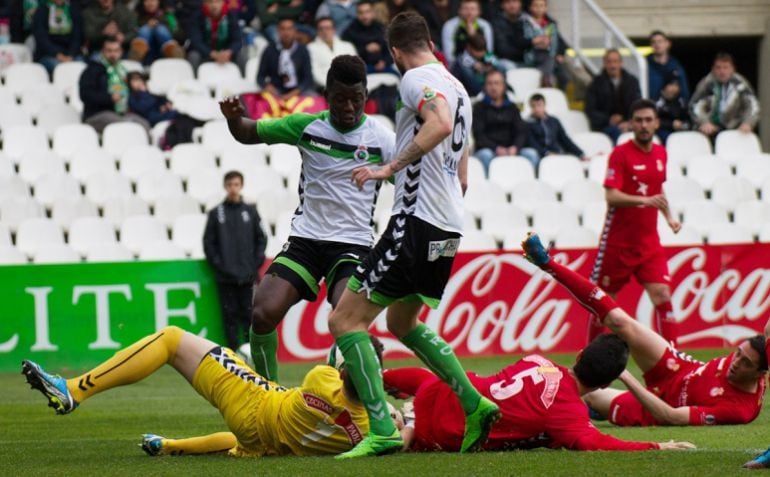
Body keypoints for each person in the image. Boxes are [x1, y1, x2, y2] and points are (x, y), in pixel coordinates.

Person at [327, 11, 501, 458]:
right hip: (447, 224)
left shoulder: (414, 79)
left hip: (415, 221)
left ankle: (383, 429)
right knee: (401, 323)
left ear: (395, 52)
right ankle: (474, 403)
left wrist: (390, 167)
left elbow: (438, 123)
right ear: (430, 42)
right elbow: (462, 161)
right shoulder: (457, 86)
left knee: (344, 321)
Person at [219, 55, 395, 382]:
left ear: (366, 96)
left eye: (356, 99)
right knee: (262, 313)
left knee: (347, 320)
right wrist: (233, 119)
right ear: (326, 96)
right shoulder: (307, 126)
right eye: (340, 99)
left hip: (353, 245)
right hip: (306, 241)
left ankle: (347, 393)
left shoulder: (382, 139)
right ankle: (267, 394)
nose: (349, 107)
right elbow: (247, 132)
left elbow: (410, 184)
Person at [520, 233, 767, 429]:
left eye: (745, 363)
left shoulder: (738, 410)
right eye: (737, 353)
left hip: (659, 406)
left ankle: (536, 406)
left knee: (588, 396)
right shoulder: (759, 353)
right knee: (619, 321)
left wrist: (627, 377)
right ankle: (546, 262)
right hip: (678, 368)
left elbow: (671, 417)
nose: (736, 362)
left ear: (761, 374)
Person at [21, 326, 385, 457]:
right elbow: (389, 417)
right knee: (244, 445)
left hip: (255, 399)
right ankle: (170, 445)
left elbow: (338, 348)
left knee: (171, 340)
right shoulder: (370, 430)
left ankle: (74, 390)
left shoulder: (321, 378)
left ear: (342, 371)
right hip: (267, 442)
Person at [384, 334, 695, 452]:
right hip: (440, 433)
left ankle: (375, 378)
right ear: (604, 385)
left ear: (579, 355)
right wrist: (656, 445)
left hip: (443, 389)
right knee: (400, 432)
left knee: (432, 379)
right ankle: (403, 422)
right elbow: (594, 442)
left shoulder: (537, 360)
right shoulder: (568, 413)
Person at [588, 99, 681, 345]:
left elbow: (657, 189)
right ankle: (588, 360)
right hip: (618, 243)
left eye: (648, 120)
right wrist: (644, 200)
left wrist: (669, 218)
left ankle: (674, 360)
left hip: (649, 243)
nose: (644, 125)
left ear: (657, 123)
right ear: (631, 124)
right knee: (604, 302)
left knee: (663, 294)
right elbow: (611, 196)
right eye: (639, 120)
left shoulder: (661, 153)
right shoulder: (620, 154)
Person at [203, 171, 267, 351]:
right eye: (230, 185)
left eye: (236, 184)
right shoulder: (216, 213)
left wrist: (254, 266)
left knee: (249, 316)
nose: (233, 188)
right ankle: (232, 354)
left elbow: (261, 239)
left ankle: (251, 353)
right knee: (229, 316)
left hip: (248, 277)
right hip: (225, 278)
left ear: (241, 186)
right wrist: (221, 267)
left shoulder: (250, 211)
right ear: (225, 186)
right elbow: (209, 244)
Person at [79, 36, 150, 133]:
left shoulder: (123, 70)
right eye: (109, 51)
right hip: (96, 114)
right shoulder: (92, 70)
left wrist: (138, 90)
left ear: (121, 52)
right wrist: (109, 98)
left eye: (116, 51)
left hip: (122, 113)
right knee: (124, 126)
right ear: (103, 52)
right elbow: (85, 95)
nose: (113, 54)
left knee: (144, 124)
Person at [471, 69, 535, 174]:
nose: (493, 87)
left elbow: (521, 131)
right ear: (485, 87)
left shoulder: (512, 107)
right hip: (489, 150)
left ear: (503, 86)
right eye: (489, 83)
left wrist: (515, 147)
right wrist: (496, 148)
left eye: (497, 83)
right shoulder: (478, 108)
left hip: (511, 150)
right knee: (486, 155)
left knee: (531, 154)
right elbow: (479, 135)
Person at [689, 52, 760, 139]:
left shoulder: (740, 83)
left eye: (726, 67)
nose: (722, 71)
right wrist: (704, 122)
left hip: (735, 129)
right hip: (711, 130)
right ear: (713, 69)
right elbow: (695, 105)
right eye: (718, 68)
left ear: (733, 69)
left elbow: (752, 105)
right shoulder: (707, 83)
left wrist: (748, 122)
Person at [584, 49, 642, 143]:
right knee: (616, 133)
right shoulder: (595, 84)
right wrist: (609, 120)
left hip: (629, 124)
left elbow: (638, 106)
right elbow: (590, 110)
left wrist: (629, 122)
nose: (612, 65)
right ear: (604, 64)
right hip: (605, 126)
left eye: (615, 61)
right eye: (609, 62)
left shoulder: (632, 82)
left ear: (621, 63)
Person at [257, 16, 315, 99]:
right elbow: (260, 77)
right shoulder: (269, 50)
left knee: (315, 99)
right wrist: (267, 86)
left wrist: (295, 92)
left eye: (289, 29)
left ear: (295, 31)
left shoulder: (302, 50)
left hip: (298, 91)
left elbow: (308, 79)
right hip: (276, 91)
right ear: (278, 31)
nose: (286, 32)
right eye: (283, 29)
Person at [526, 93, 586, 166]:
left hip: (557, 152)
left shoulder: (554, 121)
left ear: (544, 105)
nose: (536, 109)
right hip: (542, 155)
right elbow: (533, 143)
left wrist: (580, 154)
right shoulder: (527, 124)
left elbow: (565, 139)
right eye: (533, 106)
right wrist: (546, 153)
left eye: (539, 105)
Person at [187, 0, 245, 72]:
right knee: (193, 56)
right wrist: (213, 54)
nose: (214, 5)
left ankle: (244, 77)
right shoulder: (196, 16)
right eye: (210, 2)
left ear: (223, 2)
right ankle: (194, 78)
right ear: (205, 3)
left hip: (225, 53)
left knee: (242, 55)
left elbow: (238, 40)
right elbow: (196, 42)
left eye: (217, 2)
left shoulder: (231, 15)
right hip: (205, 53)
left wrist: (228, 52)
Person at [520, 0, 567, 89]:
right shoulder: (524, 22)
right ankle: (545, 81)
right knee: (548, 59)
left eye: (542, 6)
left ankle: (549, 83)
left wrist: (559, 53)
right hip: (531, 54)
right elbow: (523, 40)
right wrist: (535, 41)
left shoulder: (551, 23)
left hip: (549, 54)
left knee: (563, 76)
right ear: (530, 7)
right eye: (536, 6)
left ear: (546, 8)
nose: (539, 9)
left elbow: (556, 41)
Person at [342, 1, 394, 75]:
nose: (364, 16)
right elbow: (347, 54)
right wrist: (365, 49)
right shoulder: (350, 32)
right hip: (361, 68)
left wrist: (384, 62)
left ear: (373, 12)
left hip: (385, 66)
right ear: (357, 14)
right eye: (361, 12)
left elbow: (391, 50)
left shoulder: (381, 28)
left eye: (367, 12)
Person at [31, 0, 83, 75]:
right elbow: (41, 39)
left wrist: (71, 55)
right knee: (59, 68)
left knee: (81, 64)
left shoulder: (73, 9)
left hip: (70, 54)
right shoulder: (42, 10)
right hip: (48, 55)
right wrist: (58, 55)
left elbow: (77, 36)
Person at [307, 16, 356, 90]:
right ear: (317, 31)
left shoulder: (348, 46)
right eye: (321, 29)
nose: (324, 31)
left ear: (334, 30)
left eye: (327, 28)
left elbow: (355, 69)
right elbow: (315, 73)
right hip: (324, 87)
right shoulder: (310, 48)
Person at [130, 0, 184, 64]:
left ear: (159, 1)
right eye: (147, 1)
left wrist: (160, 25)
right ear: (143, 2)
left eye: (153, 0)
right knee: (145, 30)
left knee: (160, 29)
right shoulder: (136, 15)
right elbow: (131, 32)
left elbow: (179, 34)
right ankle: (136, 55)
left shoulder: (168, 15)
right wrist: (146, 25)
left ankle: (173, 53)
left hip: (163, 53)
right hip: (145, 55)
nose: (150, 3)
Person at [441, 0, 492, 64]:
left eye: (473, 9)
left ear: (479, 11)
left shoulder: (485, 26)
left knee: (501, 64)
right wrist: (473, 64)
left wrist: (487, 65)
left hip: (482, 63)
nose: (469, 12)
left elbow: (489, 51)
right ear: (459, 11)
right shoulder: (450, 26)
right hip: (458, 64)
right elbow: (449, 57)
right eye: (466, 9)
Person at [449, 32, 499, 97]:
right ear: (469, 47)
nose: (480, 54)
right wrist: (473, 66)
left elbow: (495, 62)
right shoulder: (460, 61)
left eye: (482, 50)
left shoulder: (487, 55)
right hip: (469, 91)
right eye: (477, 50)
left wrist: (486, 68)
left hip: (485, 84)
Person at [646, 30, 689, 101]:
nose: (657, 45)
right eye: (653, 42)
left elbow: (684, 90)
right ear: (650, 45)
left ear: (668, 44)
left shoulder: (676, 66)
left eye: (660, 41)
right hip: (651, 104)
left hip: (672, 106)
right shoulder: (645, 65)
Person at [654, 70, 691, 143]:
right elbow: (654, 121)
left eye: (677, 85)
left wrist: (683, 125)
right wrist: (671, 124)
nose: (674, 88)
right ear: (664, 86)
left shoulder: (681, 102)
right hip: (664, 135)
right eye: (671, 84)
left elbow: (688, 120)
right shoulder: (657, 103)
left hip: (680, 134)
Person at [491, 0, 527, 71]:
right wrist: (528, 45)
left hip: (527, 60)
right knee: (510, 67)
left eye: (515, 1)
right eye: (507, 2)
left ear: (520, 3)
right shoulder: (496, 22)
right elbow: (503, 50)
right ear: (502, 5)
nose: (512, 5)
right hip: (504, 61)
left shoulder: (527, 19)